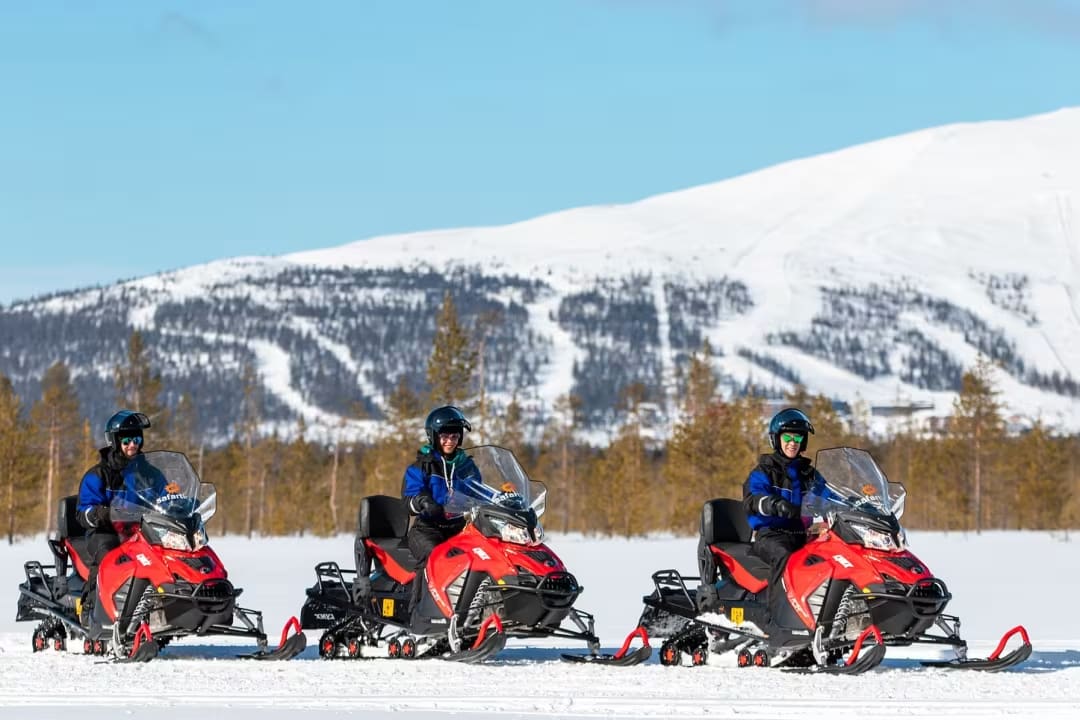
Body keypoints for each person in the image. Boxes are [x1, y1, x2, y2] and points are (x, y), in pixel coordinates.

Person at [742, 407, 824, 622]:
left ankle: (824, 618)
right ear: (776, 439)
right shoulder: (764, 471)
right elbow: (753, 499)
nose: (792, 442)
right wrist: (775, 504)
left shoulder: (810, 475)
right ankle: (776, 620)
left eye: (798, 437)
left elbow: (830, 496)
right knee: (785, 556)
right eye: (787, 436)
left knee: (831, 559)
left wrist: (856, 503)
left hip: (803, 534)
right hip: (771, 534)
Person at [75, 410, 151, 618]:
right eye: (126, 440)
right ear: (115, 442)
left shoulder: (147, 473)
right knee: (108, 555)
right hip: (105, 531)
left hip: (141, 530)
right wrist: (102, 513)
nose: (132, 444)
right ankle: (91, 608)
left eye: (136, 438)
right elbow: (83, 513)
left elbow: (163, 493)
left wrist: (180, 499)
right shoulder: (98, 475)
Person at [402, 405, 481, 566]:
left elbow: (479, 493)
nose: (450, 441)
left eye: (454, 436)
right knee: (436, 559)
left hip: (460, 529)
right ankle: (422, 592)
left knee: (483, 557)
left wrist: (500, 498)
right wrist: (422, 501)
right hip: (428, 529)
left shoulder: (467, 467)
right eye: (444, 436)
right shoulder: (421, 466)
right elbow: (408, 500)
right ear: (434, 436)